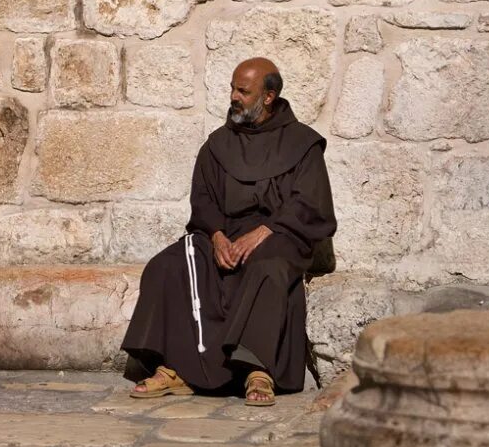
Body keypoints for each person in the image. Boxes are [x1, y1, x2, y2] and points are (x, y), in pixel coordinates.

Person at [120, 57, 337, 406]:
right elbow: (203, 199)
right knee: (168, 264)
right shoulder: (218, 144)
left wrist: (267, 230)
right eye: (232, 89)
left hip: (280, 235)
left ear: (268, 97)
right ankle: (174, 367)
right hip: (223, 234)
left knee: (268, 268)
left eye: (243, 91)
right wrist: (217, 235)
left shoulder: (303, 144)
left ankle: (257, 371)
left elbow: (310, 205)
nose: (233, 96)